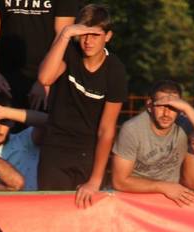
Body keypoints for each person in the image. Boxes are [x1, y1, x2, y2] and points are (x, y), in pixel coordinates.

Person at [36, 4, 127, 206]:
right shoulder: (68, 51)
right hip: (55, 147)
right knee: (52, 210)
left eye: (95, 35)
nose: (88, 41)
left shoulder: (115, 70)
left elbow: (107, 130)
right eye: (84, 34)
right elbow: (45, 78)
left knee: (84, 215)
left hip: (89, 151)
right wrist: (65, 34)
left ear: (108, 36)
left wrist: (95, 179)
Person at [110, 79, 194, 205]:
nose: (166, 113)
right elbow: (119, 182)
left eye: (173, 107)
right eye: (161, 106)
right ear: (149, 106)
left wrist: (188, 108)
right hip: (137, 194)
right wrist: (163, 187)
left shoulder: (182, 122)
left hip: (172, 191)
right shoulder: (132, 129)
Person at [0, 0, 78, 110]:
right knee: (2, 124)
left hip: (45, 75)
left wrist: (44, 82)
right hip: (5, 77)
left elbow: (62, 36)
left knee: (41, 123)